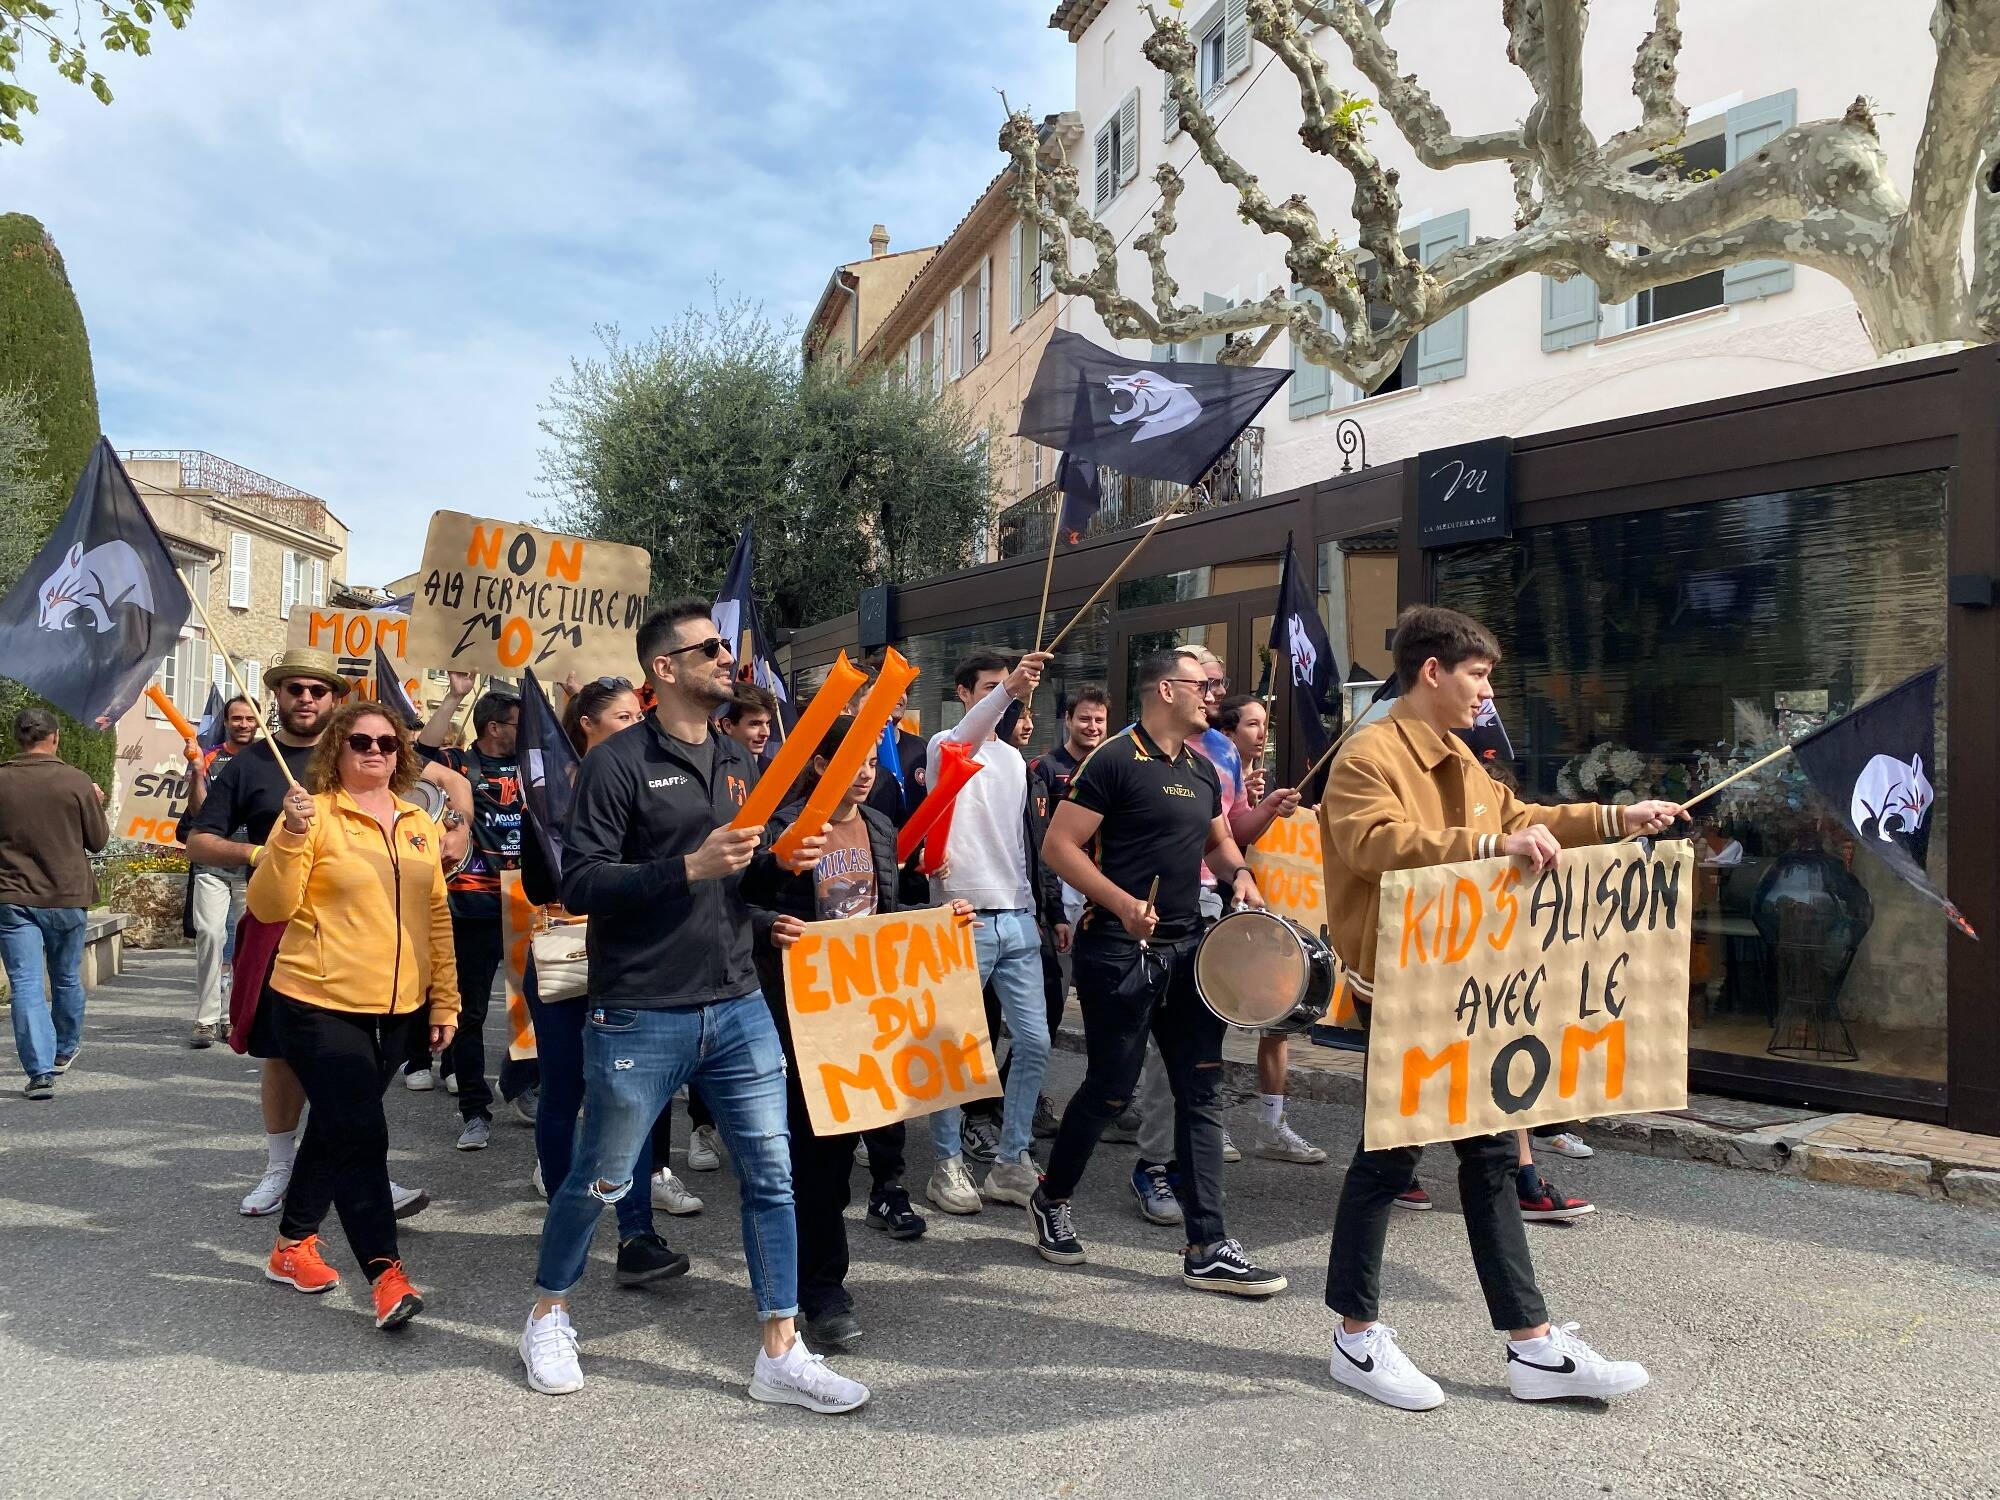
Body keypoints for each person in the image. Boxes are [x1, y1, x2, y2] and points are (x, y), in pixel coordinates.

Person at [1317, 605, 1683, 1410]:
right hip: (1406, 988)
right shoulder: (1367, 754)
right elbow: (1373, 843)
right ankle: (1355, 1336)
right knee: (1391, 1161)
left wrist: (1620, 820)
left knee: (1488, 1160)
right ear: (1431, 671)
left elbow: (1526, 821)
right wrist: (1489, 848)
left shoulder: (1462, 759)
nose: (1488, 692)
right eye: (1479, 675)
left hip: (1466, 987)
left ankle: (1531, 1345)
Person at [519, 599, 868, 1414]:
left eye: (727, 647)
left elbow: (737, 884)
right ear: (663, 670)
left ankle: (780, 1349)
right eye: (709, 649)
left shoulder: (743, 761)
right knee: (602, 1177)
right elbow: (580, 883)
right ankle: (547, 1313)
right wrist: (688, 866)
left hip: (738, 1002)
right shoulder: (616, 763)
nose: (726, 658)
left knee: (773, 1179)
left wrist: (781, 869)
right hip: (643, 1008)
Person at [1035, 647, 1288, 1297]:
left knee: (1201, 1091)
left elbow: (1217, 842)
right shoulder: (1114, 760)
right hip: (1117, 951)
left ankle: (1208, 1243)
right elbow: (1058, 847)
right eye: (1204, 686)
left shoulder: (1203, 770)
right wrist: (1121, 904)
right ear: (1165, 690)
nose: (1215, 696)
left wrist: (1243, 877)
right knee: (1112, 1088)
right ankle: (1052, 1196)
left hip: (1188, 950)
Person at [186, 648, 459, 1219]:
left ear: (337, 701)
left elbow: (442, 777)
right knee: (281, 1057)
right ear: (277, 697)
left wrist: (456, 827)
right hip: (282, 929)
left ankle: (361, 1174)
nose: (305, 697)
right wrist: (267, 850)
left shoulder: (370, 748)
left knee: (363, 1066)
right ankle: (281, 1170)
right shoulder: (251, 763)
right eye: (293, 688)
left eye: (317, 689)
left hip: (371, 933)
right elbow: (198, 840)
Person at [746, 717, 970, 1349]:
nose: (870, 770)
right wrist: (769, 926)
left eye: (874, 758)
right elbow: (737, 903)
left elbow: (883, 919)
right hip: (798, 1012)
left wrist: (940, 923)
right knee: (813, 1155)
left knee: (843, 1151)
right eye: (855, 759)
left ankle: (812, 1273)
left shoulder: (876, 826)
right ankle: (818, 1290)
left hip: (863, 1014)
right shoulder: (782, 828)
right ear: (819, 765)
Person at [247, 701, 459, 1330]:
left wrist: (444, 998)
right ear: (336, 748)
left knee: (337, 1127)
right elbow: (267, 905)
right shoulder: (312, 816)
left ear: (401, 755)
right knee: (363, 1131)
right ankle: (385, 1275)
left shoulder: (419, 822)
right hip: (316, 1000)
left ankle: (291, 1246)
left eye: (387, 744)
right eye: (361, 741)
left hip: (397, 1006)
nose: (375, 751)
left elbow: (437, 917)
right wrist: (286, 835)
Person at [522, 677, 706, 1264]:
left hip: (632, 959)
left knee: (636, 1094)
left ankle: (637, 1233)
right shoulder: (550, 793)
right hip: (567, 960)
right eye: (623, 718)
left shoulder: (651, 784)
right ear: (587, 727)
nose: (637, 727)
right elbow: (540, 884)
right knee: (564, 1089)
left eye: (638, 716)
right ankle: (563, 1218)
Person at [920, 649, 1055, 1217]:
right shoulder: (944, 744)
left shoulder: (1016, 762)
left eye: (1010, 687)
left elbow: (1018, 840)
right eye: (992, 687)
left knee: (1036, 1041)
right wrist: (1011, 689)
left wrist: (1038, 905)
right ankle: (946, 1162)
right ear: (964, 692)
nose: (1005, 695)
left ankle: (1009, 1160)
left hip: (1016, 914)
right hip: (960, 917)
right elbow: (964, 743)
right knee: (954, 1049)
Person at [1216, 692, 1326, 1166]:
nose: (1262, 734)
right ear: (1229, 731)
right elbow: (1229, 838)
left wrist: (1288, 815)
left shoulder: (1247, 780)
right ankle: (1208, 1123)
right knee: (1212, 1017)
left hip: (1265, 906)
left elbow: (1251, 831)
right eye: (1253, 725)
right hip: (1223, 903)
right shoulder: (1209, 770)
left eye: (1266, 725)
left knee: (1278, 1018)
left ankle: (1271, 1125)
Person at [418, 673, 526, 1150]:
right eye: (519, 724)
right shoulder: (461, 764)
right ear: (494, 727)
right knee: (473, 1010)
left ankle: (526, 1087)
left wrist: (567, 695)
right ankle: (475, 1111)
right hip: (473, 903)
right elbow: (418, 756)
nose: (527, 732)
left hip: (529, 903)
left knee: (537, 1009)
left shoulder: (534, 766)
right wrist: (456, 696)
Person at [1027, 688, 1128, 1144]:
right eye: (1085, 719)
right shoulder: (1045, 769)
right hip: (1059, 904)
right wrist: (1051, 910)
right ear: (1068, 720)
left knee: (1106, 1010)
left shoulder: (1112, 767)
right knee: (1047, 1009)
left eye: (1100, 721)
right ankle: (1029, 1096)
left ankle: (1109, 1098)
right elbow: (1043, 842)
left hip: (1102, 898)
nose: (1093, 728)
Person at [0, 706, 109, 1099]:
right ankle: (63, 1050)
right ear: (55, 737)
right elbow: (97, 841)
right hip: (67, 894)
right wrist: (96, 801)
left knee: (26, 984)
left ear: (18, 738)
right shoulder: (76, 781)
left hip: (14, 896)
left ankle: (39, 1071)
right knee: (64, 976)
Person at [184, 695, 260, 1049]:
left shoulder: (269, 757)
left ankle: (235, 1017)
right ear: (226, 722)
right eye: (237, 718)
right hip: (212, 864)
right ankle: (205, 1020)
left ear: (259, 721)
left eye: (249, 718)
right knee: (211, 936)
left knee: (247, 946)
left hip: (253, 866)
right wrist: (198, 772)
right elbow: (201, 812)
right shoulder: (209, 756)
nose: (243, 724)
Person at [721, 682, 778, 766]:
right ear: (728, 726)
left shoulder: (774, 769)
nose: (766, 733)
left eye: (767, 723)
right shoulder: (712, 767)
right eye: (755, 724)